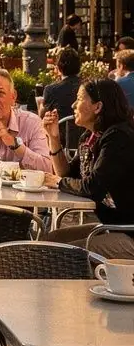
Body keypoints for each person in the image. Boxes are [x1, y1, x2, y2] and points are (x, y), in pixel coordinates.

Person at [43, 80, 134, 250]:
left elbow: (92, 187)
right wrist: (53, 139)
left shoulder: (119, 138)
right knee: (51, 239)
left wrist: (57, 182)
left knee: (55, 252)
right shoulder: (89, 137)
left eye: (79, 99)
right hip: (111, 228)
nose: (73, 104)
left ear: (97, 107)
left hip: (128, 232)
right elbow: (67, 175)